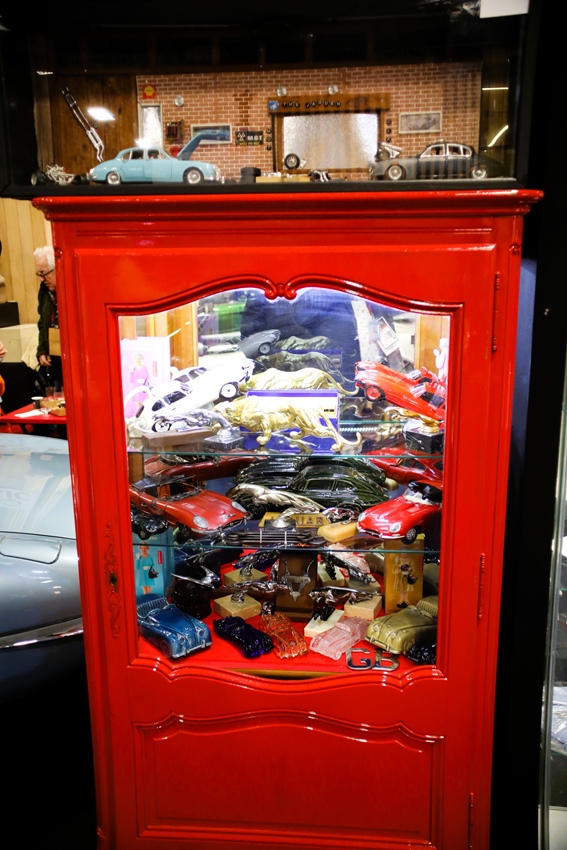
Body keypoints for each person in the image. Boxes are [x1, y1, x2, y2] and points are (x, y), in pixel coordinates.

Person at [34, 245, 63, 390]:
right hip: (55, 364)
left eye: (44, 273)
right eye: (38, 274)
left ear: (57, 268)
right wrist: (42, 350)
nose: (41, 279)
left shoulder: (73, 288)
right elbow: (42, 323)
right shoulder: (44, 290)